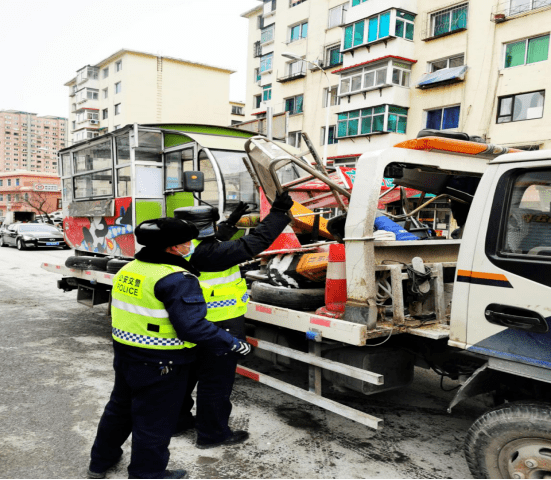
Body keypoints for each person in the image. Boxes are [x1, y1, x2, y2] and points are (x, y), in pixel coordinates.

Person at [87, 217, 252, 480]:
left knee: (119, 409)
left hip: (126, 353)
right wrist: (232, 343)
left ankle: (100, 462)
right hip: (162, 362)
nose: (191, 246)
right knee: (154, 420)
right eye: (187, 242)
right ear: (173, 248)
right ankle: (147, 473)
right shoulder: (177, 278)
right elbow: (193, 327)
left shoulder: (130, 269)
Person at [173, 191, 294, 449]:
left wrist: (231, 222)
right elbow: (255, 243)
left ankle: (177, 422)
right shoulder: (210, 254)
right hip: (219, 324)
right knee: (215, 383)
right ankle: (212, 435)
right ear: (206, 229)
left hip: (190, 324)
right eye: (213, 224)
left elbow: (215, 241)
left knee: (186, 376)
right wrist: (278, 214)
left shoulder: (180, 249)